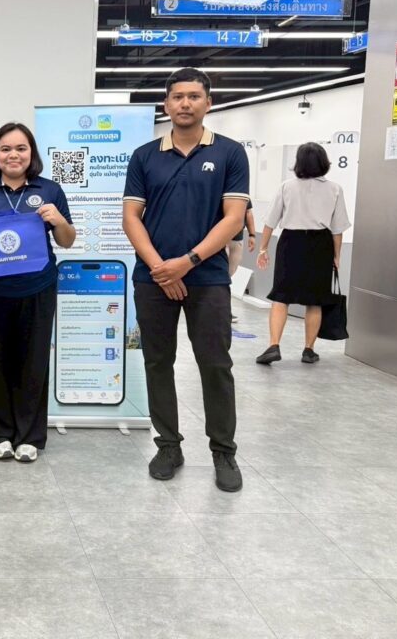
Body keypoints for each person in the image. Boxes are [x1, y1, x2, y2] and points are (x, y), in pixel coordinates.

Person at [122, 68, 249, 492]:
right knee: (158, 362)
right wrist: (162, 268)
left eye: (194, 96)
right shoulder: (145, 156)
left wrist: (187, 262)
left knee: (215, 364)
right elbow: (131, 217)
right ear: (166, 104)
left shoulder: (230, 153)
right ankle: (168, 446)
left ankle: (223, 452)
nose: (185, 103)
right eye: (177, 96)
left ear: (208, 103)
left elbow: (233, 219)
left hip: (208, 278)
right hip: (153, 278)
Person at [0, 123, 75, 463]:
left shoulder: (50, 189)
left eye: (21, 148)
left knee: (33, 362)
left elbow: (67, 240)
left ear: (31, 153)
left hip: (38, 288)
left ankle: (29, 437)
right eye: (6, 149)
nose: (13, 155)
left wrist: (58, 220)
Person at [255, 142, 350, 365]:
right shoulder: (335, 189)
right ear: (324, 162)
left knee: (281, 296)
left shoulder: (286, 187)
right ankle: (309, 350)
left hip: (291, 243)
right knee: (315, 300)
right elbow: (337, 229)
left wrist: (263, 248)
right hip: (321, 245)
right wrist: (336, 256)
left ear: (299, 163)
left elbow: (270, 221)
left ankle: (274, 345)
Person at [226, 199, 256, 322]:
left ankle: (225, 311)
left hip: (236, 239)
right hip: (218, 238)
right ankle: (224, 311)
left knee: (228, 275)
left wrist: (252, 235)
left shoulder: (241, 193)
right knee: (221, 275)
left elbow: (248, 212)